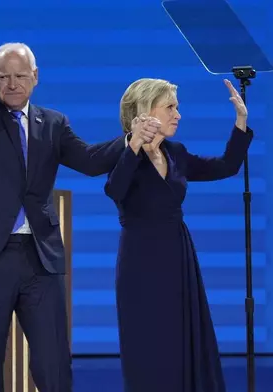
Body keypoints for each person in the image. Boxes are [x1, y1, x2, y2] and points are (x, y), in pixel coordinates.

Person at [0, 41, 158, 391]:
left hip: (40, 259)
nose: (12, 84)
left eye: (20, 76)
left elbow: (90, 160)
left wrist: (129, 140)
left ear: (36, 77)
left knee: (53, 361)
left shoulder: (54, 123)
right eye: (2, 77)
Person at [104, 77, 252, 392]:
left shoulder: (175, 152)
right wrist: (134, 146)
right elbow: (114, 189)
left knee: (181, 340)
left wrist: (240, 121)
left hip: (178, 258)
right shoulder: (122, 152)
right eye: (170, 107)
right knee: (148, 344)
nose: (178, 115)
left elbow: (225, 166)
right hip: (141, 263)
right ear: (145, 111)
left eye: (177, 107)